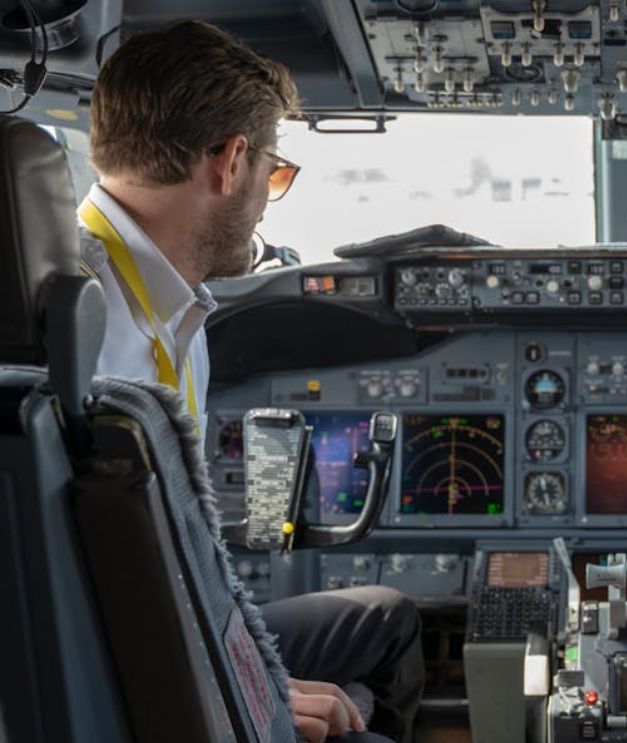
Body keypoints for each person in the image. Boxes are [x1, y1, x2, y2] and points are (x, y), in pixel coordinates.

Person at [80, 20, 423, 743]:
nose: (269, 197)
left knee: (385, 619)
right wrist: (246, 696)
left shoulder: (162, 306)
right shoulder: (81, 331)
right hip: (122, 673)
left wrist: (249, 673)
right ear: (231, 162)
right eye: (275, 172)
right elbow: (89, 598)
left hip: (168, 624)